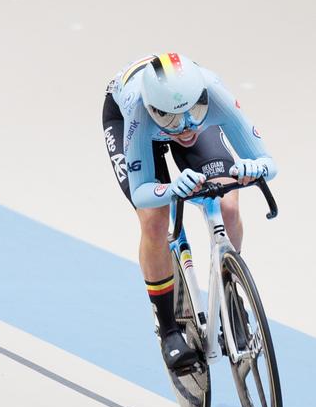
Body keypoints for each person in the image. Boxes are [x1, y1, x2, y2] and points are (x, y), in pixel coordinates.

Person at [102, 53, 277, 370]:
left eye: (194, 112)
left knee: (227, 202)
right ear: (155, 109)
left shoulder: (213, 94)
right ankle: (169, 330)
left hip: (173, 111)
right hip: (127, 122)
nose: (185, 128)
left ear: (202, 99)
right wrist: (170, 190)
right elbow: (142, 193)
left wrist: (254, 167)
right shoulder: (138, 110)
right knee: (155, 221)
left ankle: (230, 294)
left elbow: (266, 160)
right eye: (171, 119)